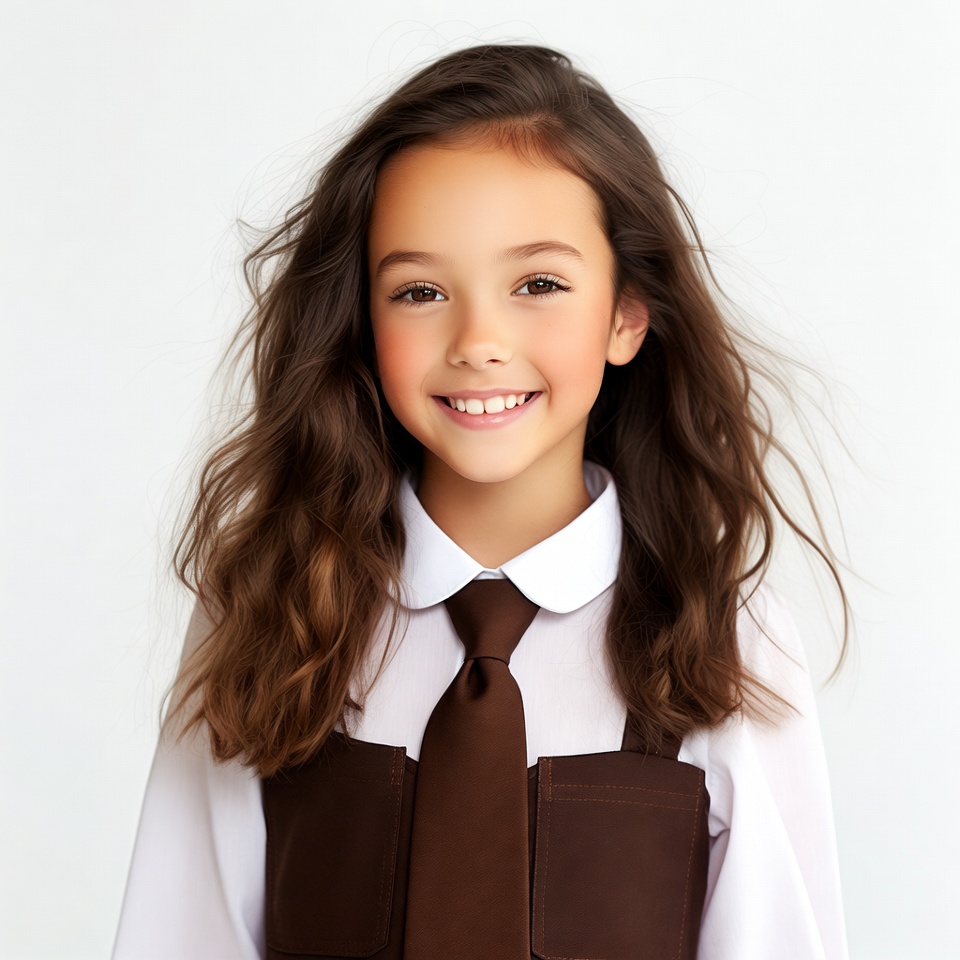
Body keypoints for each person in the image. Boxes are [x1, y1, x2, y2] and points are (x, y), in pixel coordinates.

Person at [112, 43, 849, 960]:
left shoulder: (730, 641)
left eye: (538, 284)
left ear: (627, 314)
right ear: (362, 320)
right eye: (420, 291)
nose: (478, 341)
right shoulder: (268, 612)